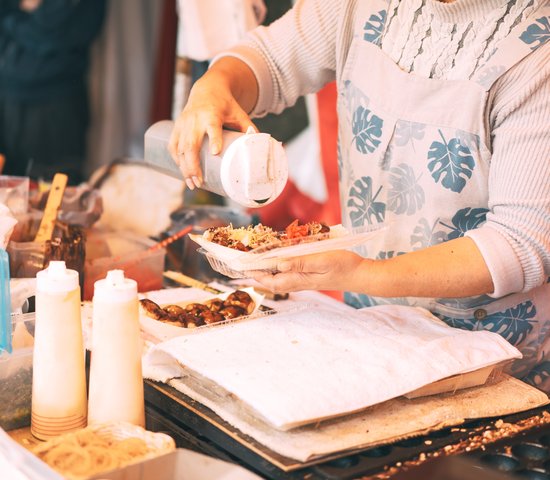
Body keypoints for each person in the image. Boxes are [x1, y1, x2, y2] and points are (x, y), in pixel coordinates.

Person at [169, 0, 550, 391]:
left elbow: (520, 243)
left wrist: (364, 274)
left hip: (490, 365)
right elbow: (268, 60)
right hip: (371, 337)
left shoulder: (538, 53)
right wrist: (215, 86)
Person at [0, 0, 106, 184]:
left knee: (56, 194)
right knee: (8, 193)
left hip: (56, 105)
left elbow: (52, 33)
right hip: (7, 98)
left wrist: (14, 17)